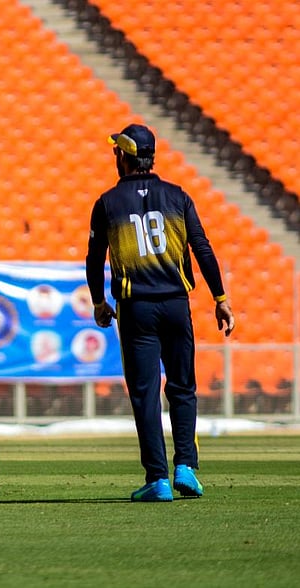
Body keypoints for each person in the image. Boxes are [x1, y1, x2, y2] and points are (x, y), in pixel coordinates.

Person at [85, 124, 235, 502]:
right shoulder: (177, 196)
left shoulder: (108, 202)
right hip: (176, 305)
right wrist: (220, 297)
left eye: (117, 151)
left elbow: (94, 259)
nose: (114, 156)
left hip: (136, 308)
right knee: (182, 387)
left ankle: (158, 479)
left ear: (125, 156)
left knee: (146, 394)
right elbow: (202, 247)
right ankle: (185, 466)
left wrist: (99, 302)